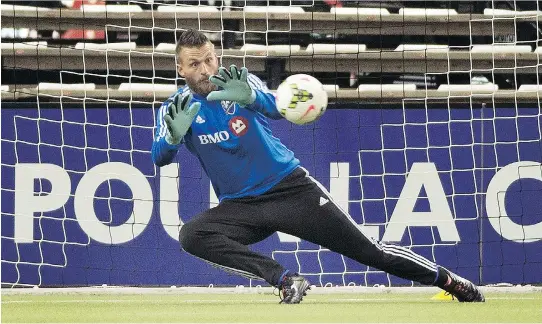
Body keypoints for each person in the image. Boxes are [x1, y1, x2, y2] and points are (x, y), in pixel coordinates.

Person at [151, 29, 485, 304]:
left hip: (290, 190)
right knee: (192, 235)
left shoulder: (238, 83)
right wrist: (172, 138)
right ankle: (284, 279)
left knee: (373, 253)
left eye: (209, 59)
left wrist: (252, 99)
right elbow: (159, 157)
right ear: (181, 70)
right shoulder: (175, 108)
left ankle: (452, 282)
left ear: (217, 58)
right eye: (195, 64)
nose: (205, 70)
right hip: (239, 207)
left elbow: (278, 108)